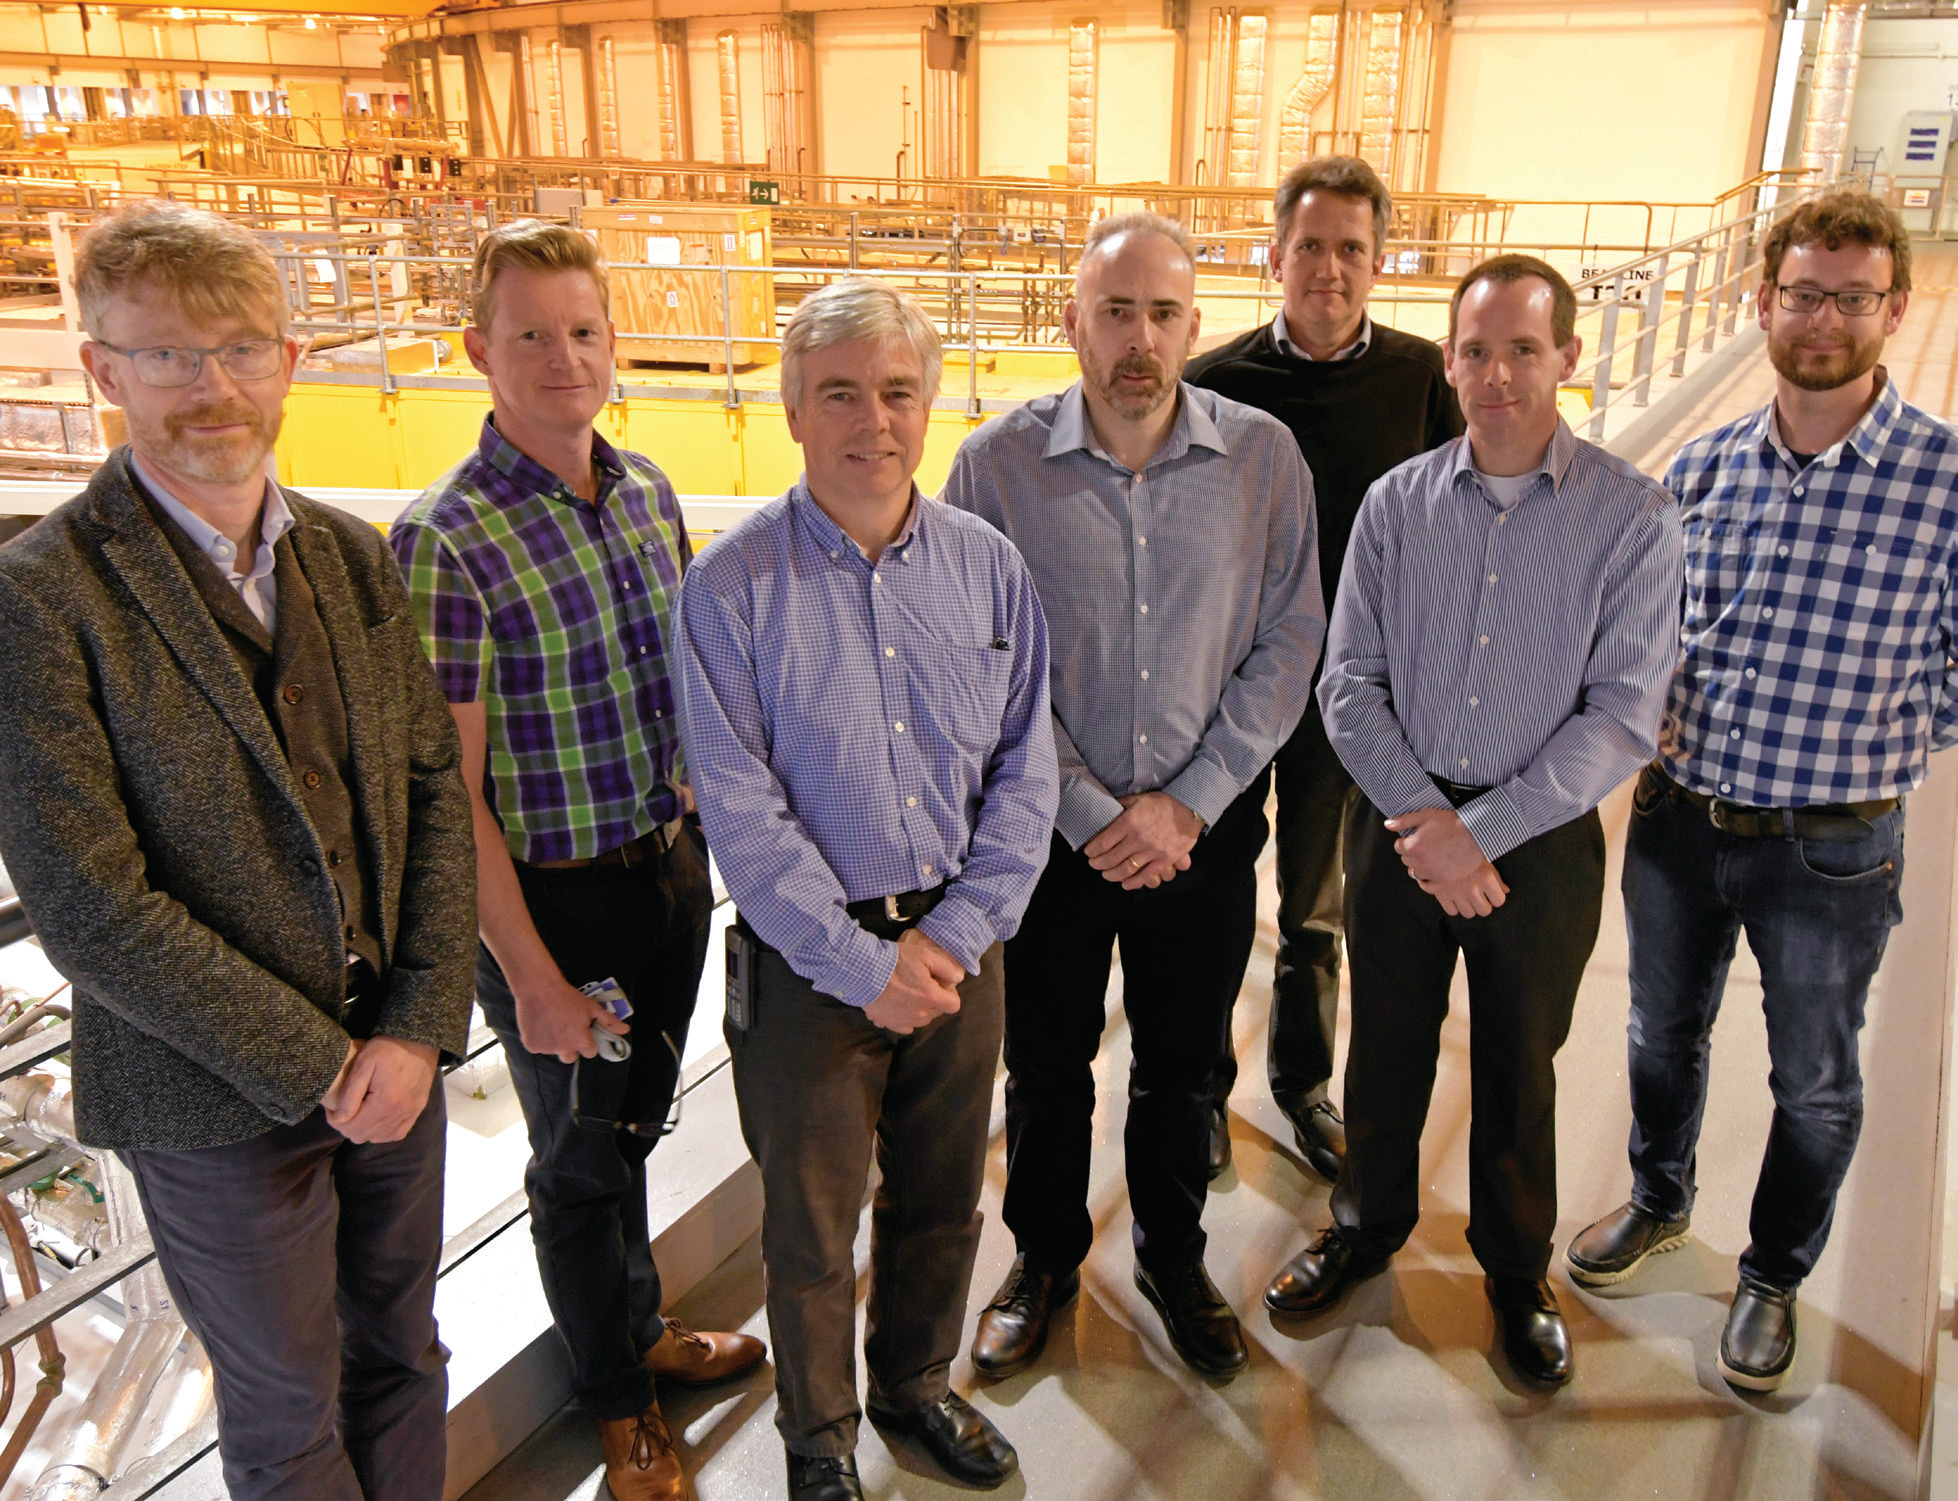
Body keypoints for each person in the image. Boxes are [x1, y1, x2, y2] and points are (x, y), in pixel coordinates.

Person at [0, 199, 477, 1501]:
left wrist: (421, 1024)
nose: (208, 386)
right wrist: (328, 1063)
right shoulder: (44, 601)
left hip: (398, 1066)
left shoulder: (345, 553)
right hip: (213, 1107)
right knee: (283, 1422)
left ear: (287, 357)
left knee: (406, 1361)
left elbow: (434, 789)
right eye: (163, 354)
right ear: (100, 367)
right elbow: (89, 905)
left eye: (238, 348)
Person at [1262, 255, 1684, 1388]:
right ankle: (1362, 1227)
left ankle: (1512, 1268)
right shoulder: (1399, 506)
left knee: (1517, 1058)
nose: (1498, 374)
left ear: (1567, 360)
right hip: (1400, 826)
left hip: (1536, 847)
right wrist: (1422, 817)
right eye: (1476, 350)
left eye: (1523, 350)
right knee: (1384, 1049)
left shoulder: (1631, 517)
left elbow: (1619, 716)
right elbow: (1346, 682)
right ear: (1447, 361)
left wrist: (1479, 830)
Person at [390, 221, 761, 1501]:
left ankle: (639, 1329)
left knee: (634, 1128)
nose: (564, 357)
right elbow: (449, 794)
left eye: (585, 330)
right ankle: (619, 1408)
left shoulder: (649, 491)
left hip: (664, 870)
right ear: (476, 349)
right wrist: (531, 975)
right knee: (576, 1157)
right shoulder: (445, 540)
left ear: (615, 342)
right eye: (531, 334)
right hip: (556, 904)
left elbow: (688, 696)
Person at [1566, 191, 1957, 1392]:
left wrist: (1872, 743)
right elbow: (1654, 627)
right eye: (1800, 293)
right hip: (1680, 819)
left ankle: (1773, 1274)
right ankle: (1658, 1201)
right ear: (1762, 304)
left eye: (1849, 296)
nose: (1823, 317)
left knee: (1815, 1077)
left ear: (1892, 308)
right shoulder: (1707, 465)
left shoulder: (1941, 482)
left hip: (1827, 849)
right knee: (1655, 1032)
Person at [678, 278, 1058, 1501]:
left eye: (896, 391)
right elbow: (740, 814)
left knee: (944, 1199)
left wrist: (951, 933)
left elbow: (1025, 769)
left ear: (931, 403)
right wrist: (861, 964)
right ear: (790, 408)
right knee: (807, 1230)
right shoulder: (727, 590)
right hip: (806, 969)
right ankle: (819, 1436)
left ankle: (913, 1385)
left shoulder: (990, 571)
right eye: (838, 392)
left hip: (961, 943)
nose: (872, 420)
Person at [942, 212, 1324, 1383]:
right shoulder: (994, 467)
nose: (1138, 340)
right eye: (1115, 312)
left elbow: (1287, 639)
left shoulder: (1262, 460)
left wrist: (1186, 804)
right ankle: (1043, 1258)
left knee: (1181, 1066)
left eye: (1161, 313)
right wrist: (1089, 809)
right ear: (1070, 324)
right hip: (1046, 842)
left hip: (1198, 837)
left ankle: (1169, 1256)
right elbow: (979, 654)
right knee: (1047, 1066)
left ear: (1192, 326)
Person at [1186, 155, 1463, 1181]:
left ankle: (1300, 1085)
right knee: (1212, 905)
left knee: (1313, 910)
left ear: (1380, 261)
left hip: (1343, 703)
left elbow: (1451, 536)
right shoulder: (1212, 385)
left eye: (1351, 249)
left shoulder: (1419, 381)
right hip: (1224, 696)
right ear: (1273, 255)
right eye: (1310, 246)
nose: (1329, 269)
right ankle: (1198, 1087)